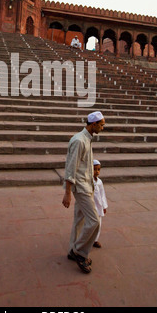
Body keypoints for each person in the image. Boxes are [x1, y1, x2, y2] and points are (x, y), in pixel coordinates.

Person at [62, 111, 105, 274]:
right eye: (101, 125)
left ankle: (72, 250)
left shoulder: (86, 139)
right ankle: (79, 252)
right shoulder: (80, 141)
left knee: (79, 221)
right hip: (81, 188)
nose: (103, 128)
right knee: (94, 221)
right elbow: (70, 168)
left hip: (86, 185)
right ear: (93, 124)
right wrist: (67, 192)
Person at [92, 159, 108, 248]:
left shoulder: (99, 182)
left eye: (98, 169)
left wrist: (104, 206)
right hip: (91, 206)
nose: (97, 171)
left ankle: (95, 240)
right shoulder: (89, 181)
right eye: (94, 169)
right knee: (90, 224)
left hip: (99, 207)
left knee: (98, 224)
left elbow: (102, 194)